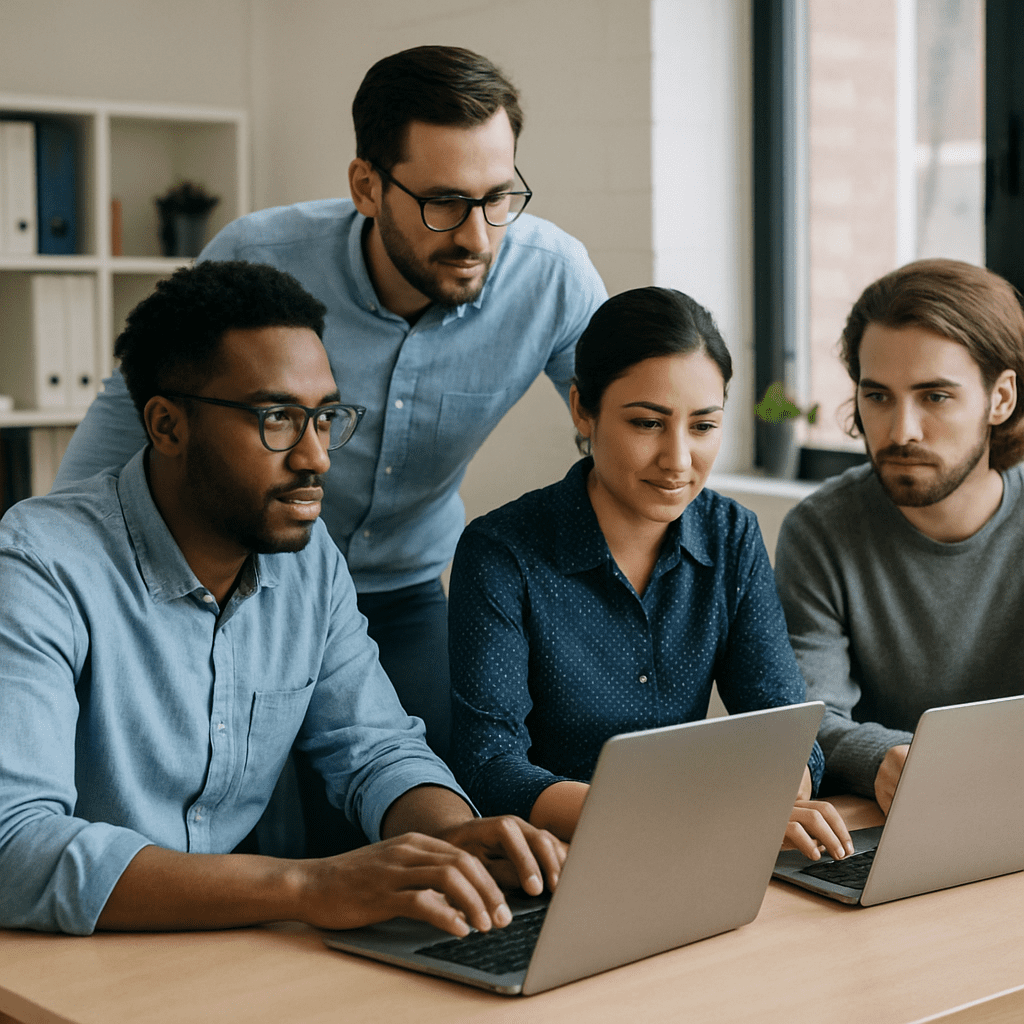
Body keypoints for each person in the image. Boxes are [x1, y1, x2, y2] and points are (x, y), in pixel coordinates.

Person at [52, 45, 608, 773]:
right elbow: (136, 412)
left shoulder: (552, 278)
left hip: (406, 590)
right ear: (367, 186)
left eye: (499, 197)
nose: (478, 236)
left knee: (432, 787)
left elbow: (624, 428)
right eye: (443, 202)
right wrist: (60, 581)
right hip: (248, 583)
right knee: (234, 804)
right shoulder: (260, 256)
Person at [0, 261, 564, 936]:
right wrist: (306, 884)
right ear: (167, 426)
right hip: (60, 962)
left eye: (325, 416)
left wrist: (456, 842)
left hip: (219, 950)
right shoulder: (39, 564)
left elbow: (377, 749)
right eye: (276, 418)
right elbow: (14, 847)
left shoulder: (308, 562)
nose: (317, 456)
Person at [447, 287, 853, 862]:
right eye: (647, 423)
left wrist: (778, 794)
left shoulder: (731, 536)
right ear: (582, 409)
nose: (679, 460)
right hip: (559, 861)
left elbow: (784, 726)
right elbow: (490, 766)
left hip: (700, 848)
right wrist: (676, 814)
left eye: (704, 427)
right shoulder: (501, 553)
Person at [773, 258, 1024, 811]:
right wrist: (885, 755)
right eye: (878, 396)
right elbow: (805, 720)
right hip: (889, 815)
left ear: (1000, 399)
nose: (901, 430)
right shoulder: (821, 530)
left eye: (935, 396)